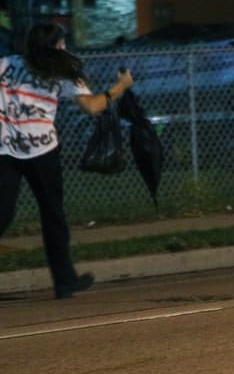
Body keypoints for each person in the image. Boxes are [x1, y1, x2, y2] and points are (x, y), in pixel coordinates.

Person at [1, 23, 134, 299]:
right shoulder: (64, 70)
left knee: (3, 212)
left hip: (6, 150)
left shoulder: (8, 64)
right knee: (53, 214)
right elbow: (93, 106)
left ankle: (65, 280)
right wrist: (120, 86)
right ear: (56, 45)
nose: (65, 47)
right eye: (62, 43)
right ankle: (64, 280)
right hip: (42, 151)